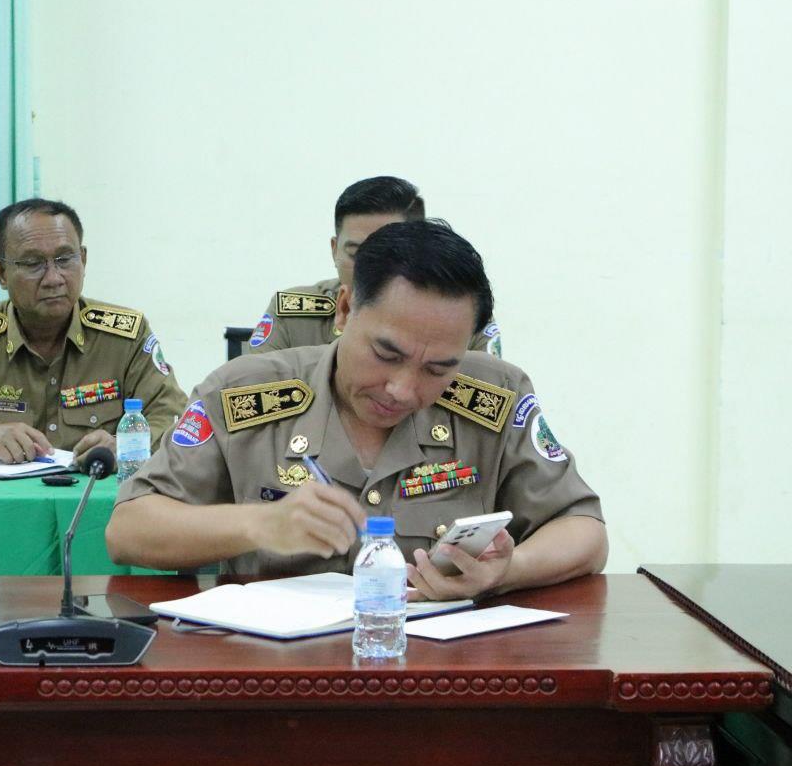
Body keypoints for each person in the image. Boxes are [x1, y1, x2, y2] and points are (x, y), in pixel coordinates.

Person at [107, 220, 606, 601]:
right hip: (277, 677)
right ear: (345, 310)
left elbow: (585, 530)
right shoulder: (243, 395)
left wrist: (507, 571)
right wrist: (259, 524)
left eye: (437, 368)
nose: (402, 389)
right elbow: (128, 530)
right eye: (386, 354)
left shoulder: (494, 397)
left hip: (440, 676)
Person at [0, 198, 188, 466]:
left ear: (83, 260)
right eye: (33, 263)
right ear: (1, 274)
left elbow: (176, 421)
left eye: (65, 259)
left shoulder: (125, 337)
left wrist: (125, 445)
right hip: (1, 505)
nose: (54, 278)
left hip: (102, 501)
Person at [247, 176, 502, 358]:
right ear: (335, 249)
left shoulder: (461, 315)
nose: (369, 267)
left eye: (390, 254)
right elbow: (252, 391)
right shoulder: (292, 314)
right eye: (355, 253)